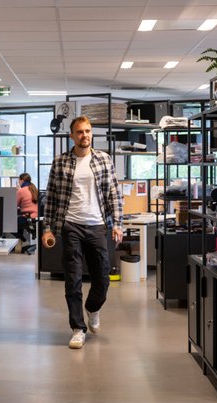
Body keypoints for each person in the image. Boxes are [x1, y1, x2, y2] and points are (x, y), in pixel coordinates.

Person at [41, 116, 123, 349]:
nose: (84, 135)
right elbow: (51, 197)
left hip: (97, 226)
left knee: (103, 279)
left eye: (87, 131)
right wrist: (48, 229)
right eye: (79, 132)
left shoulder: (103, 159)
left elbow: (114, 193)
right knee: (73, 280)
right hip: (71, 226)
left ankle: (93, 309)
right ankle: (78, 328)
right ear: (72, 136)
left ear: (91, 133)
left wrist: (118, 224)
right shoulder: (60, 162)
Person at [15, 173, 38, 248]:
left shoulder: (21, 191)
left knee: (10, 225)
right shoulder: (34, 189)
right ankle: (21, 246)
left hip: (28, 218)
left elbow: (14, 205)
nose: (19, 183)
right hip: (36, 217)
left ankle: (25, 242)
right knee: (19, 222)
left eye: (19, 181)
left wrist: (18, 191)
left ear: (22, 180)